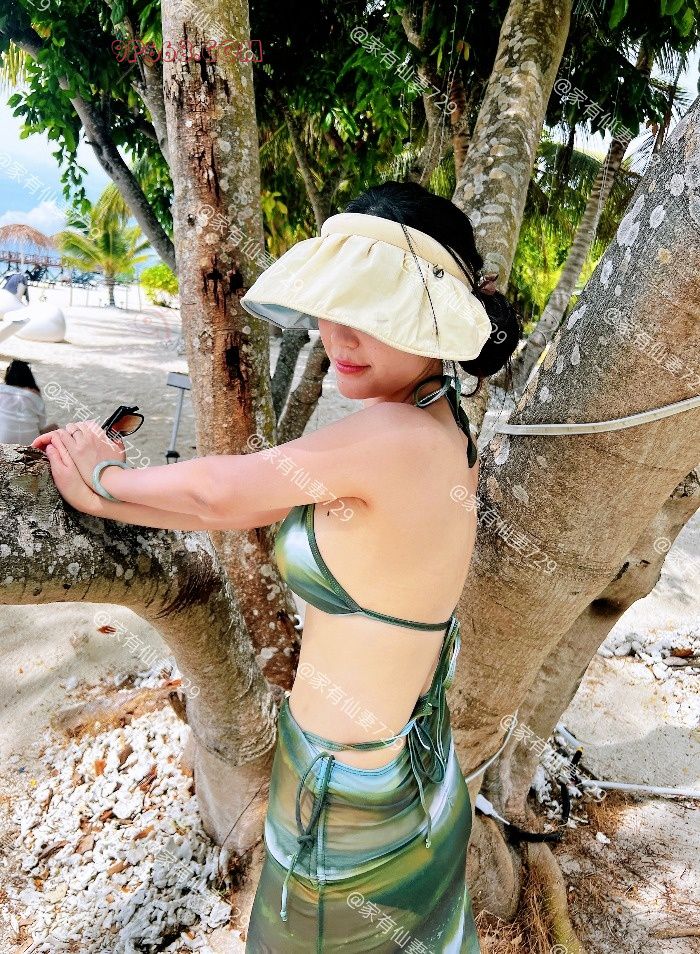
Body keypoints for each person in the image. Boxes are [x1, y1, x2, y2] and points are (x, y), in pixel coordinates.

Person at [31, 180, 522, 953]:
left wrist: (107, 476)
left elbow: (223, 490)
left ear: (433, 320)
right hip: (406, 773)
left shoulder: (394, 437)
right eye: (333, 305)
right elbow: (232, 506)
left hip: (347, 803)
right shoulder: (441, 422)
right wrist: (108, 497)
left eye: (374, 312)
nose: (338, 334)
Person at [0, 359, 58, 444]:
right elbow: (41, 425)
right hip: (31, 442)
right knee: (55, 427)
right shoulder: (34, 393)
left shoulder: (1, 389)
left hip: (2, 441)